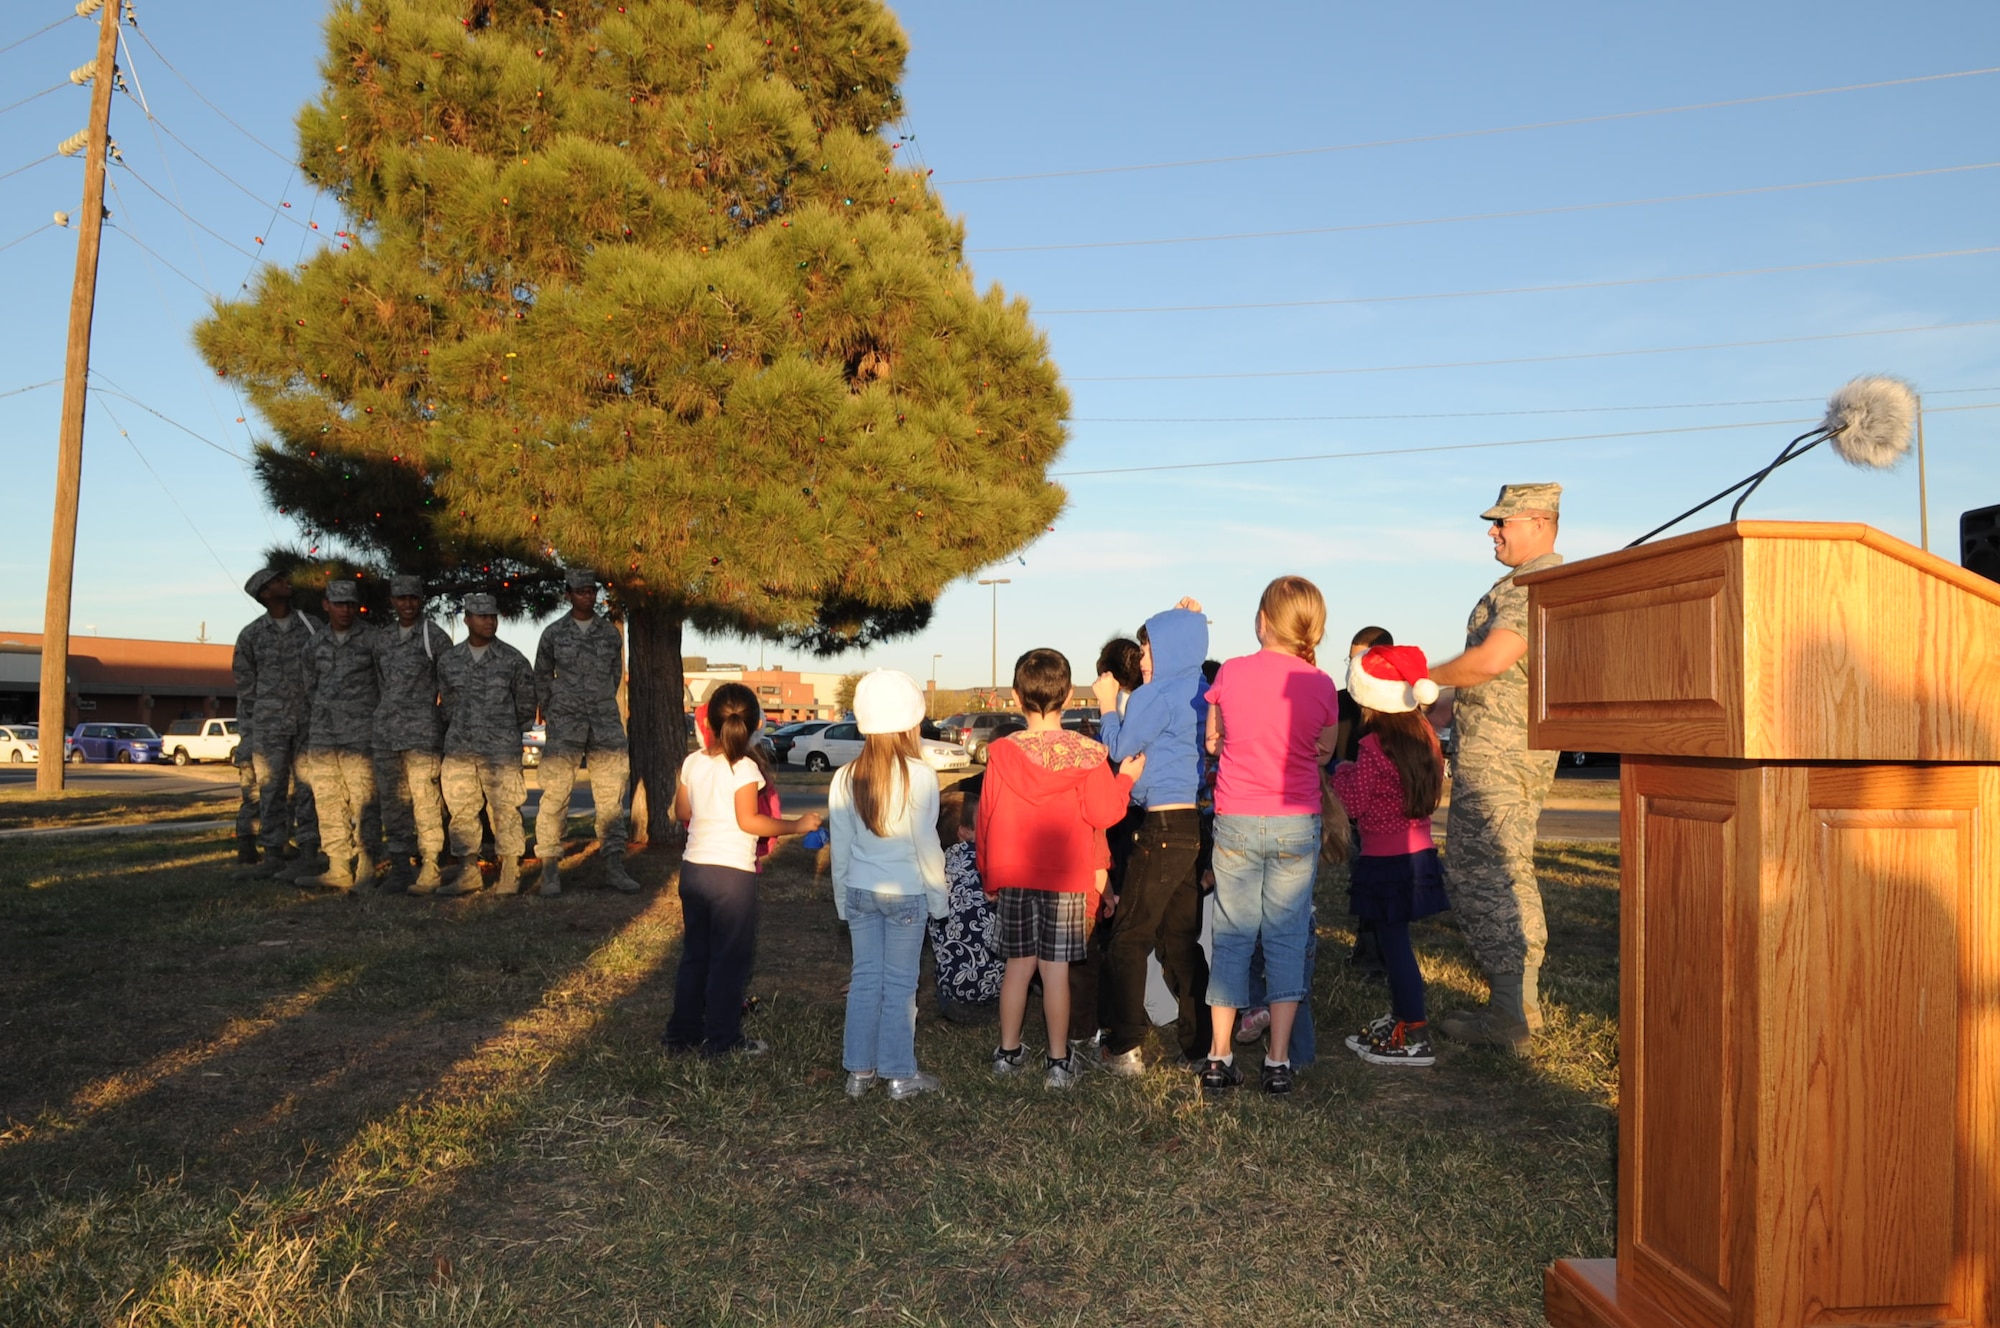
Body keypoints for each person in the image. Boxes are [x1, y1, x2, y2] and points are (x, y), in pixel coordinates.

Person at [1427, 483, 1564, 1052]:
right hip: (1493, 752)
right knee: (1490, 866)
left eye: (1502, 521)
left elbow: (1493, 660)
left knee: (1493, 871)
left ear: (1538, 521)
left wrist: (1424, 676)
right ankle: (1519, 1007)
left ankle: (1511, 1014)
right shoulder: (1519, 586)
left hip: (1505, 759)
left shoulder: (1534, 588)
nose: (1493, 530)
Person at [1201, 575, 1342, 1095]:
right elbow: (1324, 750)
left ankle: (1218, 1057)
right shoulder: (1322, 684)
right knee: (1286, 936)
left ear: (1262, 621)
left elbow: (1213, 742)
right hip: (1294, 820)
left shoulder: (1231, 674)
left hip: (1236, 817)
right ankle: (1278, 1063)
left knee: (1232, 936)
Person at [979, 648, 1143, 1089]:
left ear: (1016, 698)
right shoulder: (1088, 754)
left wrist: (987, 872)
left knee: (1018, 967)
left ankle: (1008, 1053)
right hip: (1065, 879)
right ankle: (1057, 1061)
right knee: (1054, 971)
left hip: (1014, 875)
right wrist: (1125, 778)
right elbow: (1105, 813)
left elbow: (986, 817)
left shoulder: (1001, 753)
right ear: (1070, 695)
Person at [665, 682, 821, 1057]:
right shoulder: (746, 767)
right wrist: (797, 826)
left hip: (694, 870)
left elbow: (682, 813)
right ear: (754, 725)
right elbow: (749, 821)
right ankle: (722, 1040)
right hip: (731, 875)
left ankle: (681, 1035)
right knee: (729, 960)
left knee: (696, 955)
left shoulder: (693, 762)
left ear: (711, 722)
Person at [1093, 599, 1211, 1074]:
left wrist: (1106, 706)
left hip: (1158, 827)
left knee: (1127, 937)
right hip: (1190, 826)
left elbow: (1120, 748)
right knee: (1179, 940)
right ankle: (1200, 1047)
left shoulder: (1152, 694)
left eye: (1148, 647)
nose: (1142, 658)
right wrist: (1190, 620)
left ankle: (1124, 1046)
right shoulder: (1195, 691)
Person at [830, 670, 949, 1100]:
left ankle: (859, 1073)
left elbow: (840, 848)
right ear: (909, 725)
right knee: (900, 985)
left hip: (861, 892)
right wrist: (940, 900)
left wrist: (843, 901)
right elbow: (927, 845)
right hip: (906, 896)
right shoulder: (920, 775)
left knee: (864, 980)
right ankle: (900, 1075)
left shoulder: (844, 777)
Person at [1333, 645, 1451, 1068]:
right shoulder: (1424, 738)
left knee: (1394, 945)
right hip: (1417, 853)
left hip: (1386, 860)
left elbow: (1354, 803)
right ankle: (1403, 1016)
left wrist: (1339, 773)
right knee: (1396, 941)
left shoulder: (1373, 746)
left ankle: (1414, 1030)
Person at [533, 568, 639, 897]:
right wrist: (554, 708)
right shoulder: (553, 633)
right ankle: (550, 869)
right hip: (565, 725)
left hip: (604, 725)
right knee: (555, 796)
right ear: (568, 594)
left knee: (610, 799)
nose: (587, 596)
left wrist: (599, 701)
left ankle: (613, 867)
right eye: (580, 591)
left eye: (591, 591)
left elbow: (614, 676)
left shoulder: (609, 635)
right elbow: (541, 675)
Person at [435, 593, 537, 897]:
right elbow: (447, 704)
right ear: (467, 619)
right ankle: (468, 872)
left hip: (500, 750)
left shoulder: (512, 659)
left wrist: (505, 731)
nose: (489, 621)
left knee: (504, 810)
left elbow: (526, 705)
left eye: (493, 616)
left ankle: (510, 871)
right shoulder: (450, 660)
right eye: (481, 616)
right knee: (462, 811)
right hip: (460, 749)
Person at [232, 568, 321, 877]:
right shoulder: (252, 635)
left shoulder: (311, 626)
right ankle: (273, 852)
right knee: (271, 788)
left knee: (308, 787)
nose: (287, 583)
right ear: (266, 594)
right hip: (269, 725)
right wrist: (252, 730)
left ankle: (309, 849)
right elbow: (246, 687)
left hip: (308, 721)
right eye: (278, 582)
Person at [300, 579, 383, 890]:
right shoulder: (314, 643)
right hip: (323, 737)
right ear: (326, 605)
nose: (346, 609)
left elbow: (385, 682)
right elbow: (310, 686)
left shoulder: (373, 639)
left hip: (361, 737)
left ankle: (367, 865)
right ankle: (337, 866)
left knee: (365, 802)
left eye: (350, 603)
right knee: (328, 801)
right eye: (339, 603)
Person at [373, 574, 451, 893]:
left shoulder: (435, 637)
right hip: (386, 735)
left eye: (413, 598)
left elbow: (449, 685)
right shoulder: (381, 640)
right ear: (392, 601)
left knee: (426, 802)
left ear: (422, 600)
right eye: (401, 598)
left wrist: (438, 723)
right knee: (393, 804)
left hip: (422, 735)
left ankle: (431, 867)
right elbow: (379, 683)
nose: (407, 603)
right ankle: (401, 868)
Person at [1333, 625, 1395, 975]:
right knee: (1361, 878)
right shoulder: (1341, 701)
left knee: (1378, 884)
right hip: (1350, 806)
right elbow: (1332, 754)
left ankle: (1377, 954)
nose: (1353, 666)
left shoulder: (1397, 707)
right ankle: (1367, 946)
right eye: (1350, 658)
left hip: (1385, 816)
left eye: (1360, 658)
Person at [928, 787, 1002, 1024]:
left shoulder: (935, 869)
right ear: (965, 832)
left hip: (953, 998)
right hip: (1002, 993)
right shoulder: (998, 864)